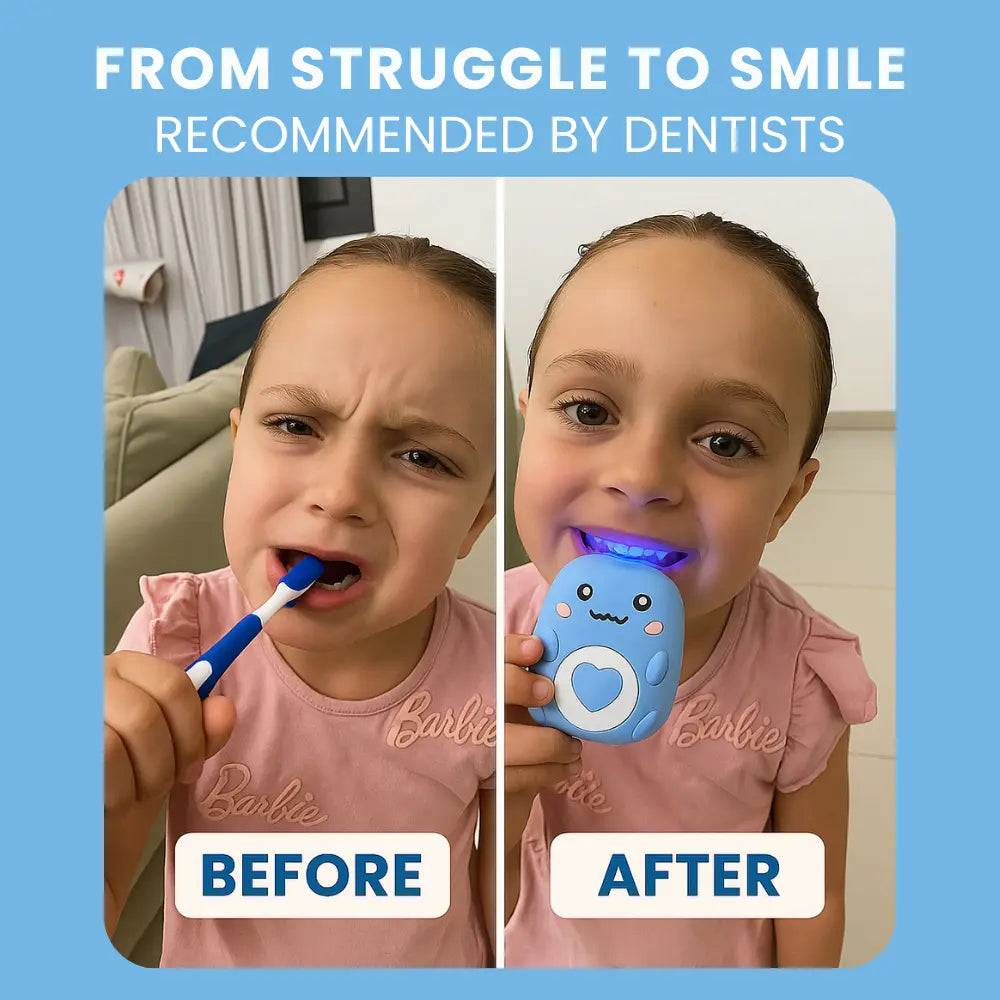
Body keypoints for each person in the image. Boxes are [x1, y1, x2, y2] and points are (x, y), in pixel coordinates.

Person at [105, 235, 497, 967]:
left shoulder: (496, 674)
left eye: (421, 457)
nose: (341, 494)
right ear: (237, 446)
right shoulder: (174, 639)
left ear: (476, 520)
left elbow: (504, 915)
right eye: (294, 426)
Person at [504, 213, 877, 967]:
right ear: (525, 424)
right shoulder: (474, 643)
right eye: (588, 411)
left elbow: (812, 894)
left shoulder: (801, 675)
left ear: (786, 502)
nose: (641, 479)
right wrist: (493, 801)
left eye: (725, 443)